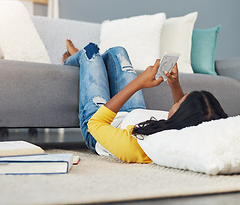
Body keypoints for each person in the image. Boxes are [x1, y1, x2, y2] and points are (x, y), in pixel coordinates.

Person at [63, 39, 228, 163]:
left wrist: (139, 82)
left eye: (178, 102)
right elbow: (181, 109)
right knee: (117, 52)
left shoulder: (138, 147)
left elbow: (95, 124)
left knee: (90, 52)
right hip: (132, 113)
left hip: (99, 125)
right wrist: (174, 83)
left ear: (181, 117)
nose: (176, 101)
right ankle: (96, 64)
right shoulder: (181, 128)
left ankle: (75, 58)